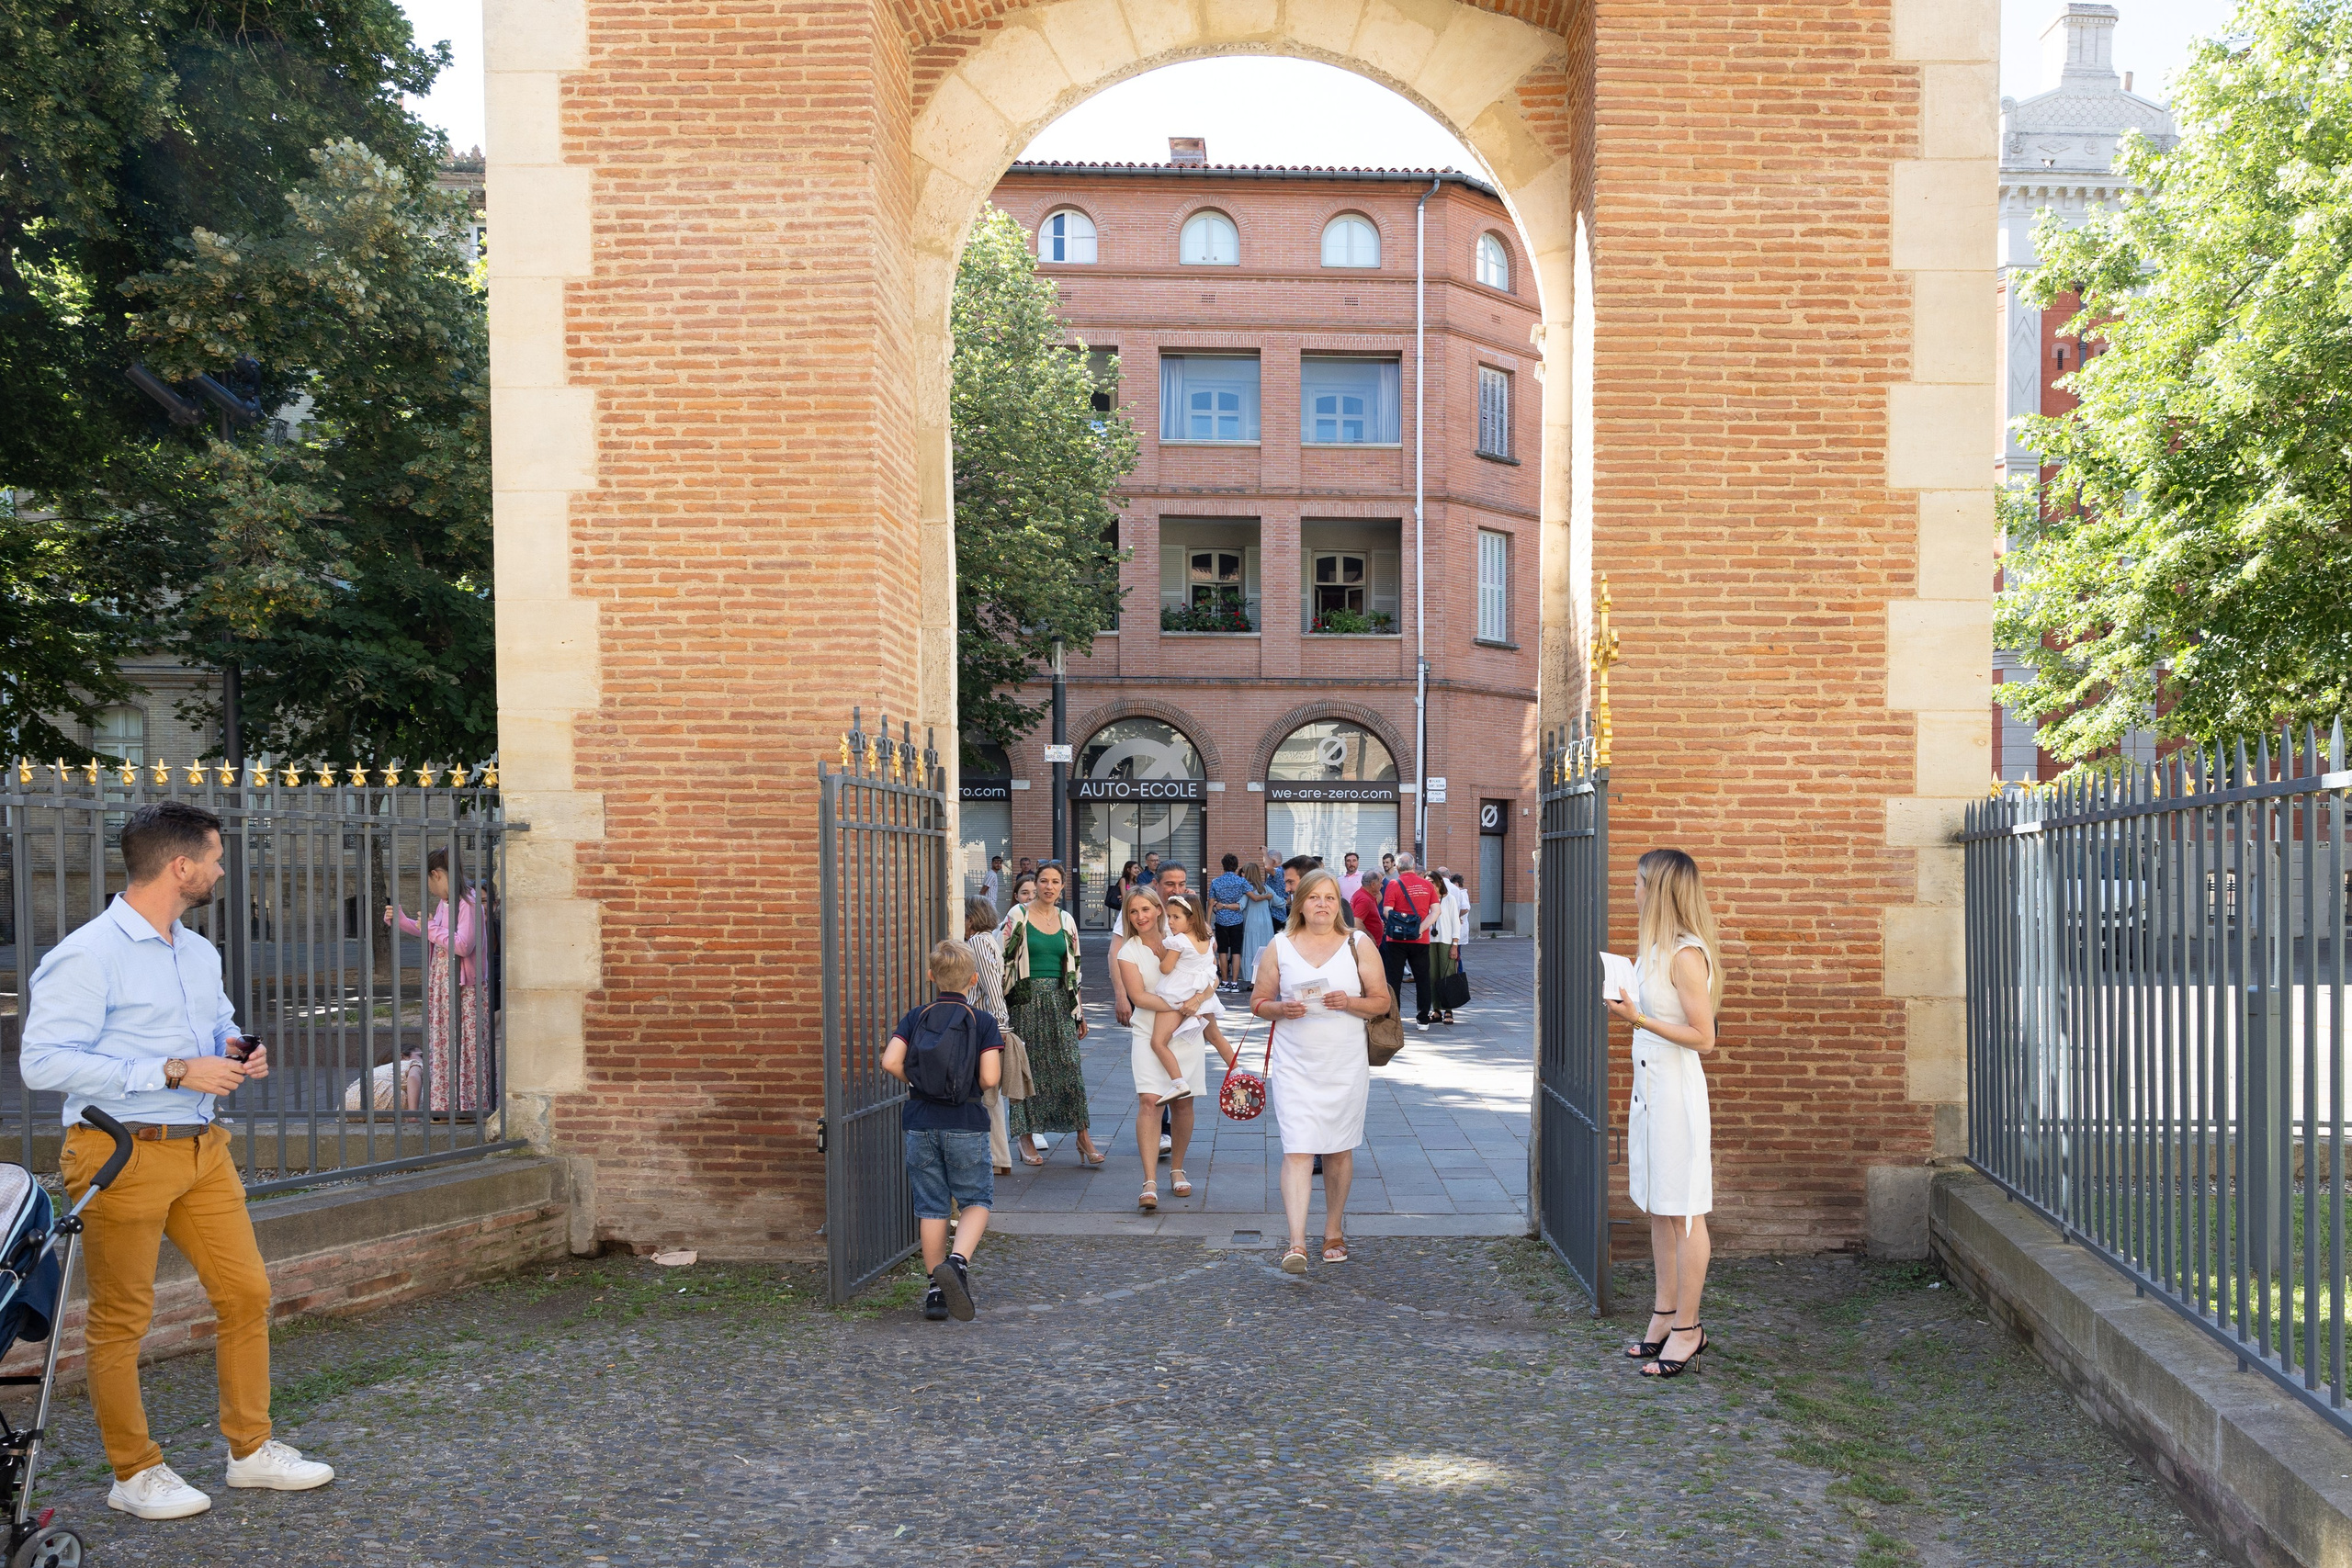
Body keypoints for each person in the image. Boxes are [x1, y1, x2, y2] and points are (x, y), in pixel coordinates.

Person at [20, 800, 334, 1520]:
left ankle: (251, 1450)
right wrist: (171, 1069)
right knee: (121, 1318)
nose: (222, 870)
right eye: (216, 859)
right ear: (181, 865)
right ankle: (133, 1473)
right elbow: (43, 1061)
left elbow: (217, 1024)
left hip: (202, 1148)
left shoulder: (196, 950)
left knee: (246, 1292)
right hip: (119, 1149)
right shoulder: (87, 953)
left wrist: (238, 1050)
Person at [1601, 848, 1724, 1379]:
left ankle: (1689, 1329)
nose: (1633, 891)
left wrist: (1637, 1020)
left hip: (1676, 1097)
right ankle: (1664, 1315)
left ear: (1659, 890)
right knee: (1658, 1207)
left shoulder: (1685, 955)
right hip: (1649, 1094)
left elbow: (1704, 1037)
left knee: (1685, 1212)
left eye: (1639, 882)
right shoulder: (1652, 949)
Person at [1246, 869, 1391, 1272]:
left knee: (1339, 1148)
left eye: (1329, 897)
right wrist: (1280, 1008)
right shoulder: (1280, 945)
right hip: (1295, 1063)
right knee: (1297, 1147)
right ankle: (1296, 1243)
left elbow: (1381, 1001)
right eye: (1314, 897)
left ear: (1337, 903)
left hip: (1344, 1063)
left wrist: (1349, 1002)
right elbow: (1258, 1002)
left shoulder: (1358, 943)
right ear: (1300, 903)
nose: (1322, 904)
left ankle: (1332, 1230)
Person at [881, 941, 1004, 1322]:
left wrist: (918, 1082)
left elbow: (890, 1061)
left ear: (931, 976)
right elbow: (990, 1078)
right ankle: (957, 1262)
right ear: (974, 979)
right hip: (965, 1121)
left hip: (920, 1121)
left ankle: (936, 1292)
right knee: (976, 1199)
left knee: (931, 1205)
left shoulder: (916, 1017)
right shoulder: (982, 1022)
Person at [1115, 891, 1239, 1212]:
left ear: (1159, 910)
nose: (1140, 917)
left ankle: (1177, 1169)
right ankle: (1149, 1180)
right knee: (1149, 1101)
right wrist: (1182, 1005)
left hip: (1187, 1030)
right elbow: (1139, 998)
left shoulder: (1182, 934)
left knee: (1184, 1104)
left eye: (1145, 909)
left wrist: (1197, 1002)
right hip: (1150, 1029)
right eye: (1133, 912)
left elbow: (1212, 976)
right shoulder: (1128, 951)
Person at [1002, 864, 1104, 1166]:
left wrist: (1079, 1012)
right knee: (1026, 1070)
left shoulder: (1066, 919)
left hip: (1060, 1002)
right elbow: (1003, 963)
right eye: (1044, 881)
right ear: (1035, 884)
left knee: (1070, 1067)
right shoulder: (1018, 915)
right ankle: (1025, 1138)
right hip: (1024, 1002)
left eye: (1055, 881)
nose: (1049, 886)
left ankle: (1083, 1136)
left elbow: (1074, 970)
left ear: (1062, 886)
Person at [383, 846, 488, 1114]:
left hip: (464, 989)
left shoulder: (468, 903)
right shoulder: (447, 903)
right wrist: (403, 921)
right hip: (444, 985)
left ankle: (468, 1106)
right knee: (444, 1045)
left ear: (436, 875)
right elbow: (435, 934)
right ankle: (447, 1105)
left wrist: (429, 927)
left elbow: (462, 945)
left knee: (465, 1047)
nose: (429, 889)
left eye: (428, 881)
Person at [963, 896, 1026, 1172]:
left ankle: (997, 1158)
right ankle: (999, 1158)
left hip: (981, 1025)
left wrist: (1001, 1025)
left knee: (987, 1095)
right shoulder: (989, 940)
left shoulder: (978, 942)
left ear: (971, 918)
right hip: (987, 1023)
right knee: (990, 1096)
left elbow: (991, 985)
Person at [1379, 852, 1442, 1032]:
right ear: (1414, 866)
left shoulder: (1393, 884)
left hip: (1396, 939)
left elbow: (1387, 911)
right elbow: (1436, 911)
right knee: (1422, 979)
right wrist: (1419, 929)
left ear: (1397, 867)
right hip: (1420, 940)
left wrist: (1403, 926)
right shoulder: (1427, 885)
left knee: (1394, 980)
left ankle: (1394, 1018)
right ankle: (1423, 1020)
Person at [1429, 865, 1464, 1026]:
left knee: (1447, 975)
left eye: (1432, 882)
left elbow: (1456, 923)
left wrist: (1455, 944)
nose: (1429, 885)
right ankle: (1436, 1009)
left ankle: (1448, 1010)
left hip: (1445, 941)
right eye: (1427, 882)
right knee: (1432, 976)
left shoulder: (1449, 899)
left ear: (1439, 882)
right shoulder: (1426, 899)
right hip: (1429, 942)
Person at [1207, 853, 1250, 988]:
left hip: (1221, 920)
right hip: (1237, 919)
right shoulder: (1241, 881)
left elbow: (1210, 904)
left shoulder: (1216, 882)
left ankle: (1225, 981)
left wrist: (1207, 923)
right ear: (1236, 866)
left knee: (1222, 951)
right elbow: (1252, 895)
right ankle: (1235, 983)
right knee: (1236, 952)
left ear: (1223, 866)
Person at [1238, 861, 1278, 985]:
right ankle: (1265, 979)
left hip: (1251, 923)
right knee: (1265, 951)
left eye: (1244, 872)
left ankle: (1253, 980)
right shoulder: (1265, 888)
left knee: (1251, 950)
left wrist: (1223, 906)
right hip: (1266, 923)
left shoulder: (1247, 889)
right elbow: (1279, 902)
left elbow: (1241, 905)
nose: (1242, 874)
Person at [994, 873, 1037, 939]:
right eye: (1025, 893)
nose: (1031, 897)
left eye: (1035, 893)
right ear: (1016, 896)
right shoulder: (1006, 926)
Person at [1350, 867, 1385, 944]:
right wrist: (1370, 938)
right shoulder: (1364, 900)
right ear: (1373, 884)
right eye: (1380, 883)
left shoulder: (1363, 894)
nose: (1382, 886)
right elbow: (1357, 923)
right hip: (1367, 945)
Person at [1104, 859, 1140, 923]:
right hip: (1123, 909)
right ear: (1128, 869)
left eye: (1138, 868)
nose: (1137, 870)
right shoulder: (1123, 880)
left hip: (1132, 908)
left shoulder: (1135, 882)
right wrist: (1130, 896)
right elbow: (1124, 896)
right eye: (1135, 868)